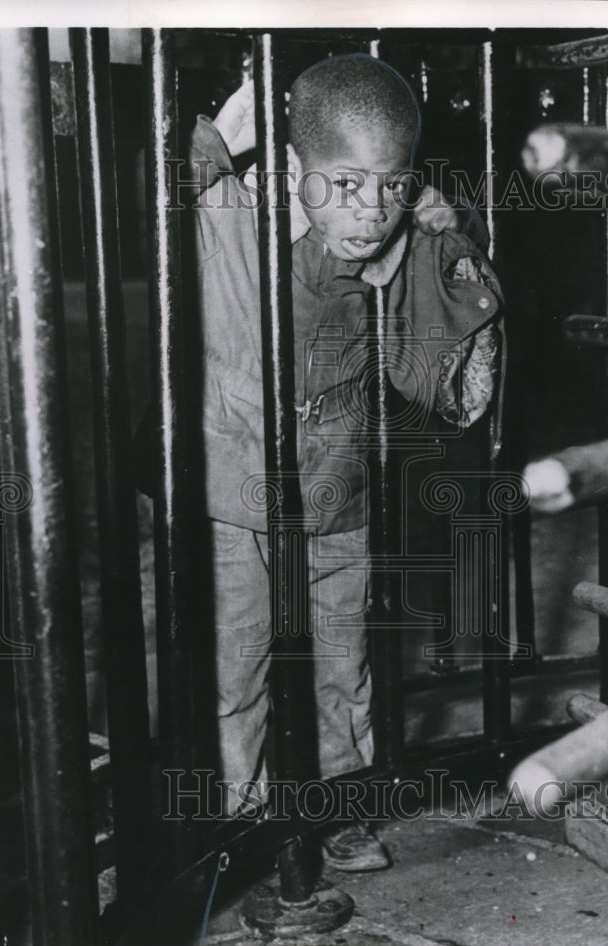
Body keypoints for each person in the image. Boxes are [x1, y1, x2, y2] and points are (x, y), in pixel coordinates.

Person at [138, 54, 502, 871]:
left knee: (345, 663)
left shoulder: (404, 237)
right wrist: (237, 120)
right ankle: (241, 820)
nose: (370, 208)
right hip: (232, 486)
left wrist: (452, 225)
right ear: (293, 166)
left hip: (339, 483)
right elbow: (173, 163)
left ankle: (340, 803)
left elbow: (458, 336)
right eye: (343, 183)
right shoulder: (227, 214)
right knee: (238, 665)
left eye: (391, 183)